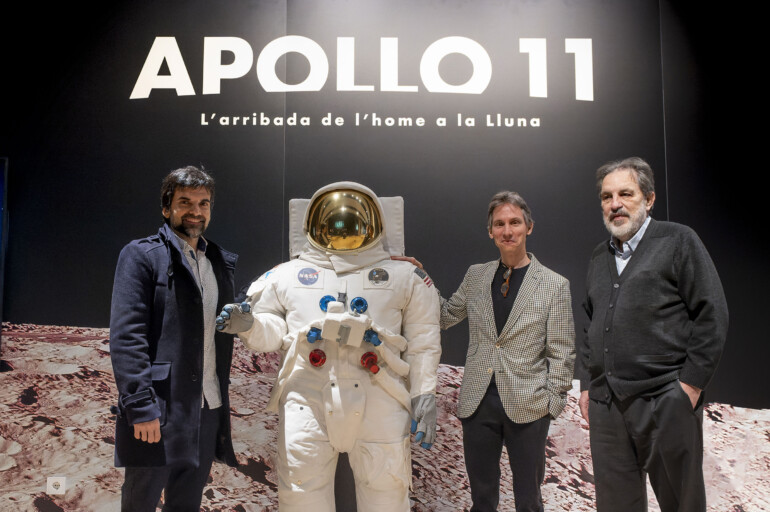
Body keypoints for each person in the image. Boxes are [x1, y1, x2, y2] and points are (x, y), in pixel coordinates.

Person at [216, 181, 441, 512]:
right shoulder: (286, 275)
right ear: (314, 224)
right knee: (301, 496)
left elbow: (423, 340)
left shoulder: (405, 276)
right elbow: (275, 332)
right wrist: (249, 325)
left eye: (352, 221)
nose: (343, 228)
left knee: (387, 497)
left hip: (381, 392)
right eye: (333, 222)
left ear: (374, 223)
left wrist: (424, 394)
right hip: (308, 396)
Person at [578, 157, 728, 511]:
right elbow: (591, 323)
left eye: (625, 194)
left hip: (665, 400)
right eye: (606, 196)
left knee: (681, 504)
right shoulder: (599, 256)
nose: (615, 204)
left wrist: (689, 386)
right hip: (608, 406)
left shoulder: (678, 241)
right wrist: (588, 384)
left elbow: (712, 313)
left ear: (649, 198)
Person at [109, 166, 239, 511]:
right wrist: (140, 408)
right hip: (160, 409)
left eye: (204, 203)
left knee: (186, 504)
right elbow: (128, 337)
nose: (196, 211)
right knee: (141, 501)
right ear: (167, 208)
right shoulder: (142, 255)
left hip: (206, 407)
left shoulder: (218, 263)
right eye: (185, 202)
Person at [438, 191, 575, 512]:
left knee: (528, 501)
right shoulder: (476, 275)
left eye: (514, 222)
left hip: (529, 407)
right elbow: (445, 316)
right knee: (482, 500)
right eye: (500, 224)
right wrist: (416, 280)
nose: (507, 230)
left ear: (529, 226)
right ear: (491, 232)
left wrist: (551, 404)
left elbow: (563, 351)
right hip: (478, 404)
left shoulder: (554, 284)